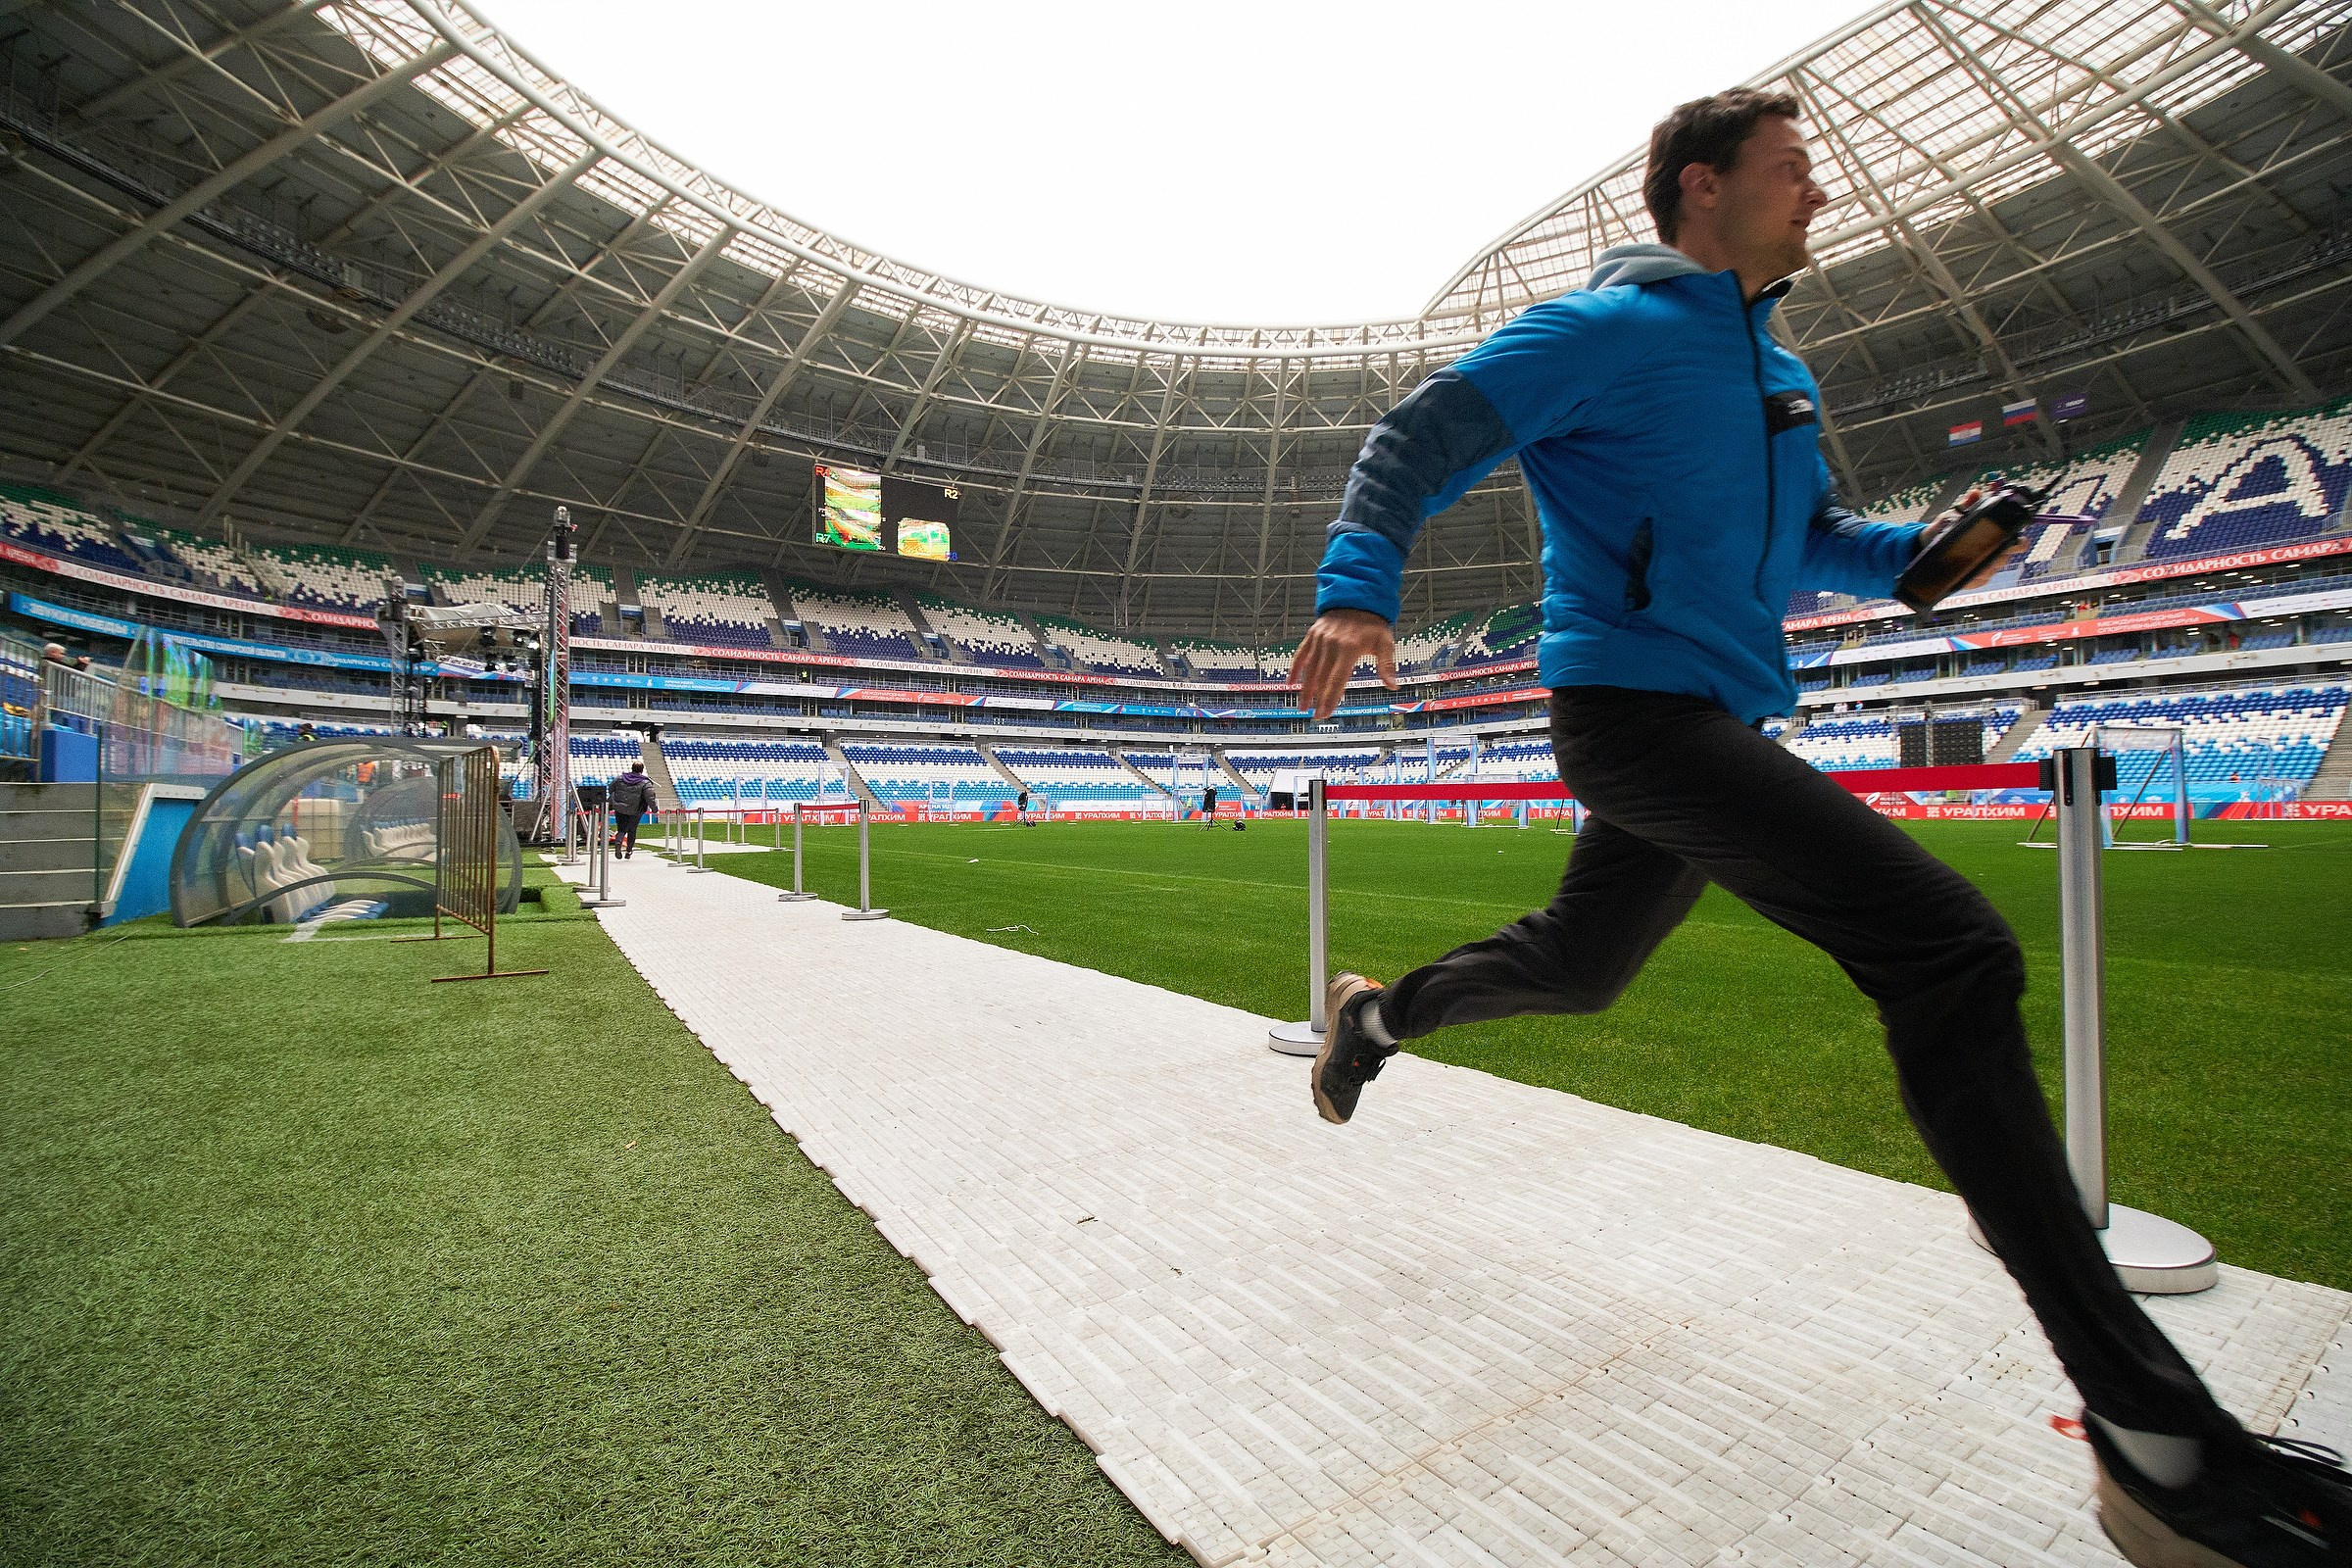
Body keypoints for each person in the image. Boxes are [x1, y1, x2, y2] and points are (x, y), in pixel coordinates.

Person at [1290, 88, 2346, 1568]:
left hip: (1717, 715)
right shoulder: (1603, 328)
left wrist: (1917, 557)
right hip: (1632, 712)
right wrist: (1358, 583)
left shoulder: (1778, 362)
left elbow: (1812, 545)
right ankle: (2157, 1436)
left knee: (1585, 964)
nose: (1825, 198)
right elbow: (1418, 436)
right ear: (1703, 188)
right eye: (1798, 173)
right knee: (1951, 953)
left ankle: (1377, 1019)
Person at [607, 760, 654, 858]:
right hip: (635, 810)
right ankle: (628, 851)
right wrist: (654, 808)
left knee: (621, 829)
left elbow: (611, 788)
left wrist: (616, 799)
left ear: (632, 768)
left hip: (620, 808)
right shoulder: (645, 782)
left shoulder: (620, 778)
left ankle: (618, 842)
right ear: (642, 770)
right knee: (632, 830)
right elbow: (649, 796)